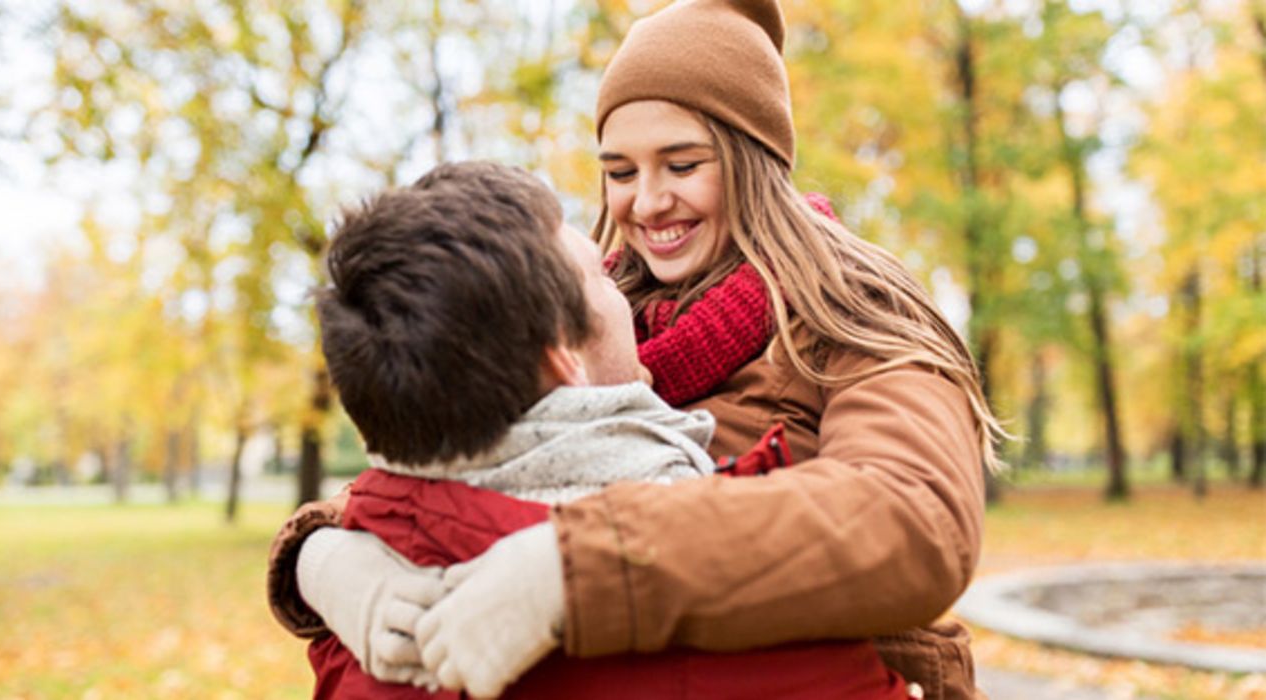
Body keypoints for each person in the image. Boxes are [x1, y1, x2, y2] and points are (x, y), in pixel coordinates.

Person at [268, 1, 998, 698]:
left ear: (753, 159)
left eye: (682, 166)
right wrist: (323, 557)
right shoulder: (587, 307)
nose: (646, 203)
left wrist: (576, 569)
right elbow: (454, 443)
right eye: (620, 172)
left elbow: (916, 519)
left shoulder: (852, 308)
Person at [297, 160, 911, 699]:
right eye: (601, 276)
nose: (626, 283)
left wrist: (312, 557)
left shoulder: (352, 623)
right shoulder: (757, 636)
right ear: (564, 354)